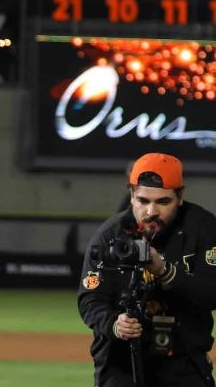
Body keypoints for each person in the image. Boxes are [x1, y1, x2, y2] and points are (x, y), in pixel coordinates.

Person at [78, 153, 216, 387]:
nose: (151, 212)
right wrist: (115, 324)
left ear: (180, 196)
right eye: (142, 200)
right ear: (131, 195)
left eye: (163, 202)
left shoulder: (202, 227)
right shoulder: (110, 235)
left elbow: (212, 293)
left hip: (185, 364)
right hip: (120, 367)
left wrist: (166, 271)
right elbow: (90, 300)